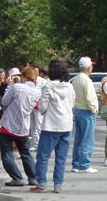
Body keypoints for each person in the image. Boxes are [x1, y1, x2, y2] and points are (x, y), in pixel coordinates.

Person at [32, 60, 76, 193]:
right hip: (66, 125)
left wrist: (41, 108)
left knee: (43, 156)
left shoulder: (48, 86)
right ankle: (58, 185)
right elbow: (72, 103)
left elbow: (43, 107)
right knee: (61, 157)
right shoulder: (69, 86)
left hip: (51, 125)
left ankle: (41, 183)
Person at [0, 67, 41, 186]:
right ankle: (32, 177)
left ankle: (17, 177)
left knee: (7, 153)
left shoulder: (16, 88)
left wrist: (10, 86)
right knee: (26, 153)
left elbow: (4, 102)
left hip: (9, 124)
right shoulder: (37, 91)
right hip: (24, 127)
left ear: (25, 76)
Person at [71, 56, 99, 173]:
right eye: (91, 66)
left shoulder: (75, 79)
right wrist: (94, 109)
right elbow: (90, 97)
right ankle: (85, 164)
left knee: (79, 138)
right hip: (87, 111)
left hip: (77, 109)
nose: (92, 68)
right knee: (87, 139)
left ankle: (76, 164)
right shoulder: (86, 80)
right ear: (88, 68)